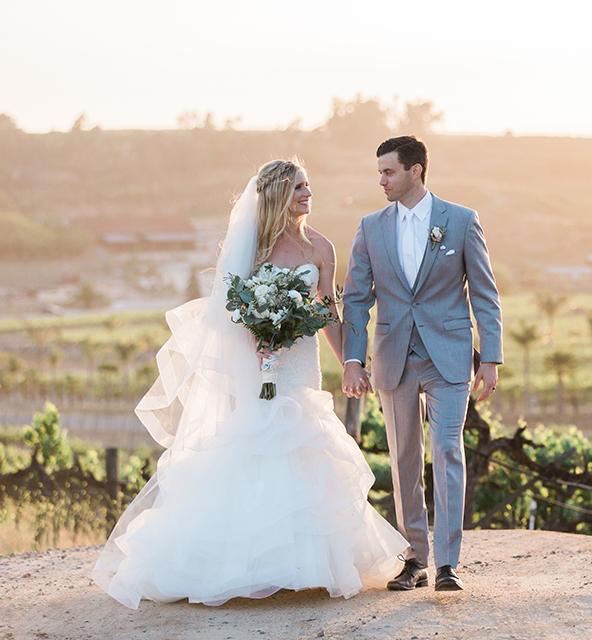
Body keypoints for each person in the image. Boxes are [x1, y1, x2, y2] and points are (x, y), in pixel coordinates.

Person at [91, 159, 407, 610]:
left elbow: (329, 313)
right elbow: (229, 311)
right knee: (258, 448)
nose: (307, 192)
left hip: (303, 365)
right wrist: (258, 339)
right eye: (298, 186)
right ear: (277, 194)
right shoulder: (253, 249)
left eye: (308, 185)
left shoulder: (322, 248)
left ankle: (303, 565)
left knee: (306, 450)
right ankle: (254, 564)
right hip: (260, 367)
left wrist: (351, 364)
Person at [342, 136, 503, 592]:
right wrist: (353, 360)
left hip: (449, 357)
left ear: (415, 171)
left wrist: (490, 357)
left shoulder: (462, 221)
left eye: (388, 172)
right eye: (379, 172)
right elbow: (355, 300)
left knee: (448, 450)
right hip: (393, 359)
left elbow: (485, 295)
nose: (381, 181)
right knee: (404, 460)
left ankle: (448, 563)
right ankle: (415, 557)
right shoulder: (370, 227)